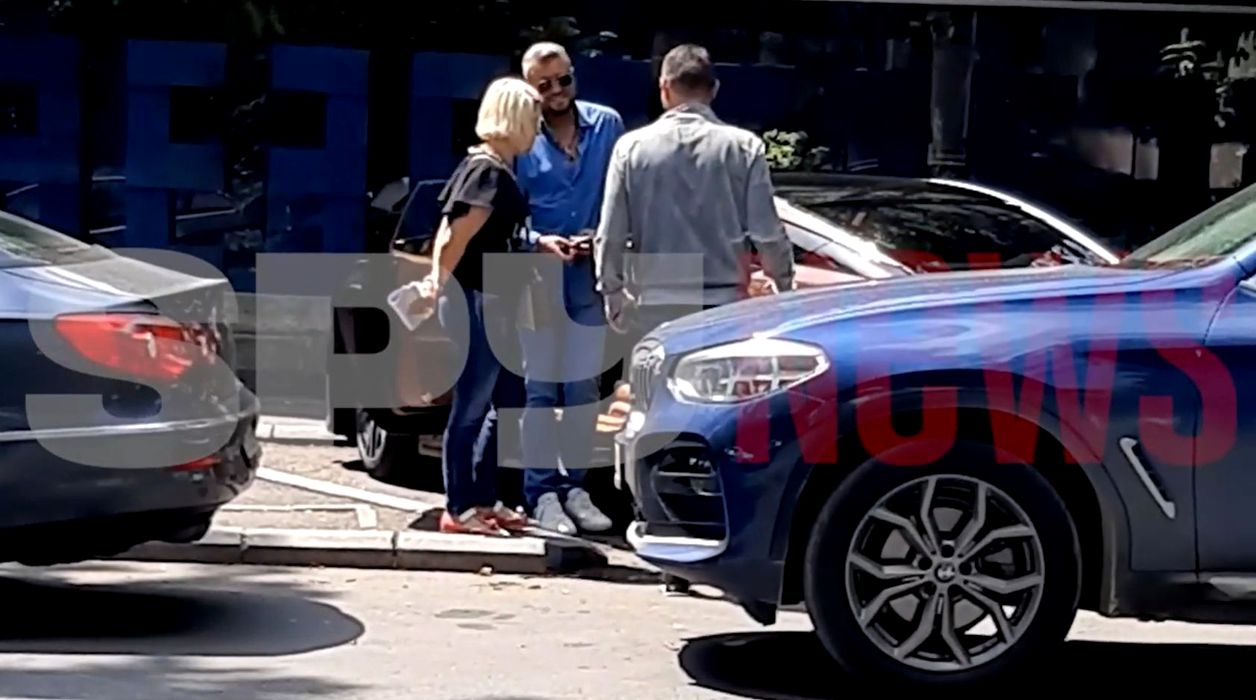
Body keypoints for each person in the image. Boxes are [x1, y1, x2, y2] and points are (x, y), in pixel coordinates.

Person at [594, 43, 795, 351]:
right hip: (724, 305)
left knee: (658, 381)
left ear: (664, 87)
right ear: (714, 89)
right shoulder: (744, 147)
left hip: (654, 306)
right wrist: (783, 284)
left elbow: (611, 234)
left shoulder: (630, 148)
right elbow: (767, 232)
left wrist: (612, 293)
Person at [416, 77, 549, 535]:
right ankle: (459, 507)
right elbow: (454, 235)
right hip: (478, 297)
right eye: (533, 116)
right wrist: (437, 283)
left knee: (507, 400)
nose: (538, 126)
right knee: (473, 404)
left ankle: (486, 498)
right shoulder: (486, 172)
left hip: (497, 298)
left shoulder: (491, 168)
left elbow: (456, 231)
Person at [512, 42, 625, 535]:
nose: (557, 90)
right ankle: (541, 493)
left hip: (590, 271)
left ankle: (575, 486)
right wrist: (537, 240)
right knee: (539, 388)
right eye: (545, 84)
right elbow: (504, 211)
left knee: (583, 387)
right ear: (529, 89)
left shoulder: (606, 125)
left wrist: (602, 236)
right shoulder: (520, 136)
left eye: (564, 79)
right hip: (536, 274)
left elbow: (621, 195)